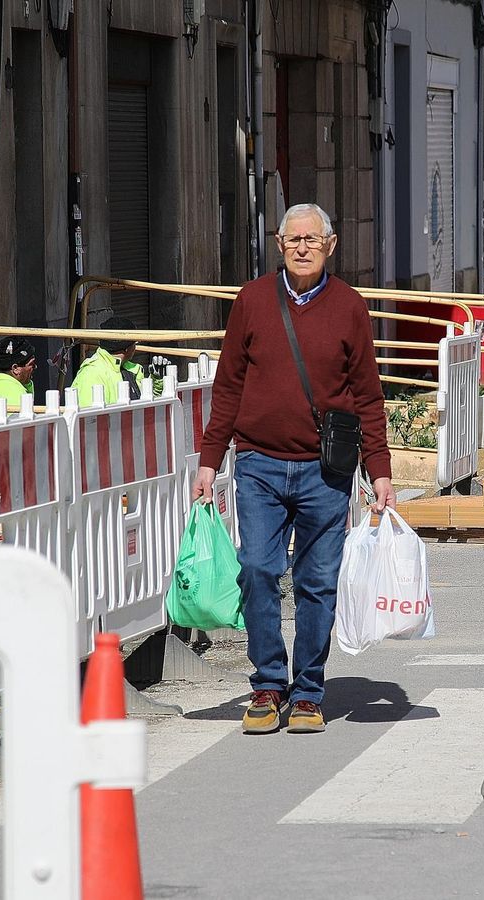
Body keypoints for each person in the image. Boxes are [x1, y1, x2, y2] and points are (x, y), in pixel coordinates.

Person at [190, 203, 395, 734]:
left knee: (317, 582)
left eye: (312, 239)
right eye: (293, 239)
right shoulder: (253, 301)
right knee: (258, 569)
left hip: (325, 471)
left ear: (330, 246)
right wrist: (210, 460)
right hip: (258, 463)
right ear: (279, 245)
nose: (302, 248)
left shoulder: (349, 306)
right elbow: (228, 386)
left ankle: (307, 692)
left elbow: (367, 395)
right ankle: (267, 683)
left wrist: (379, 470)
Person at [69, 315, 145, 406]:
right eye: (135, 343)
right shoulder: (92, 374)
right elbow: (88, 412)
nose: (136, 347)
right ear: (127, 348)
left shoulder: (131, 369)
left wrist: (157, 381)